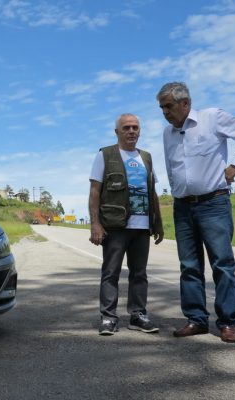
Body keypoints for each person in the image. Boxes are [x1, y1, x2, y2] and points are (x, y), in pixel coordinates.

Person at [156, 82, 235, 343]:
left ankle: (227, 322)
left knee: (222, 264)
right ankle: (196, 319)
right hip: (182, 206)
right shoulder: (168, 133)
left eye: (168, 106)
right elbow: (172, 167)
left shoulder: (212, 118)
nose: (165, 112)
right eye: (161, 108)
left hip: (213, 203)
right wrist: (177, 191)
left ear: (185, 103)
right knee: (189, 266)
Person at [88, 113, 164, 336]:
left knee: (139, 273)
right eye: (126, 128)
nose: (131, 131)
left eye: (135, 127)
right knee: (110, 272)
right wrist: (95, 224)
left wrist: (157, 223)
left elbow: (153, 192)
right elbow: (95, 191)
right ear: (117, 132)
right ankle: (108, 317)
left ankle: (138, 315)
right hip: (115, 226)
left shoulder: (146, 157)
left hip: (142, 227)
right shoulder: (105, 155)